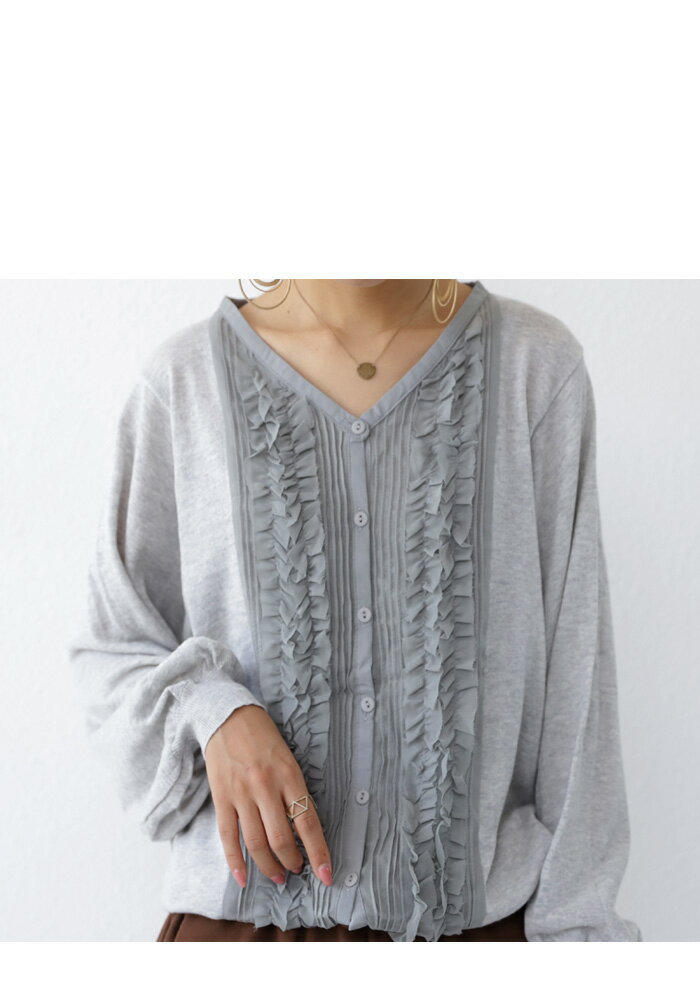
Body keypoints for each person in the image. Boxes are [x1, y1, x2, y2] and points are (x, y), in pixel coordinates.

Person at [67, 279, 642, 943]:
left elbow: (579, 696)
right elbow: (109, 655)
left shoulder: (534, 369)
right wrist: (214, 709)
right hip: (243, 933)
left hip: (479, 931)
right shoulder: (184, 382)